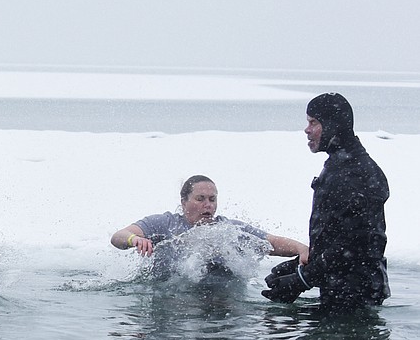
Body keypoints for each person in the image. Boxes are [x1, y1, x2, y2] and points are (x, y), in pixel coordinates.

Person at [263, 93, 390, 310]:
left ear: (333, 126)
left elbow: (355, 245)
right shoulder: (339, 165)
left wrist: (302, 280)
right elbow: (335, 237)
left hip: (356, 300)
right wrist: (298, 266)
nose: (307, 129)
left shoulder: (355, 173)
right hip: (341, 294)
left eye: (313, 122)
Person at [112, 175, 309, 278]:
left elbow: (271, 243)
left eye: (212, 199)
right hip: (171, 299)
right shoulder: (165, 223)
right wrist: (134, 239)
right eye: (200, 199)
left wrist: (302, 249)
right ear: (184, 202)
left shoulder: (229, 229)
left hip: (221, 303)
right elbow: (119, 237)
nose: (208, 205)